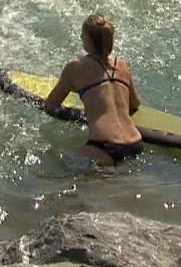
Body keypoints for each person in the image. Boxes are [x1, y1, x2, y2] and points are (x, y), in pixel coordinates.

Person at [44, 15, 144, 166]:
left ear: (88, 41)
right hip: (135, 143)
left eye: (82, 35)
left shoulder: (75, 67)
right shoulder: (122, 66)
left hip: (103, 147)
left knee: (54, 162)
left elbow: (51, 105)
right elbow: (134, 105)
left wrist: (78, 114)